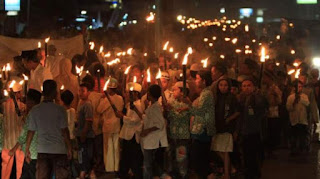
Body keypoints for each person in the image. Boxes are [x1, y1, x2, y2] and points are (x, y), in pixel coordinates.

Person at [25, 80, 72, 179]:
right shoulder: (60, 110)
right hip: (59, 149)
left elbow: (31, 131)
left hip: (43, 150)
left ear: (43, 92)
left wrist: (27, 148)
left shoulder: (35, 110)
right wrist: (69, 147)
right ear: (55, 93)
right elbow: (65, 131)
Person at [238, 78, 268, 179]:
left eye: (249, 85)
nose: (246, 88)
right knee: (246, 154)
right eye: (244, 86)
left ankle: (255, 172)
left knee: (254, 153)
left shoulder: (257, 98)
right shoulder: (241, 99)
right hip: (244, 130)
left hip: (255, 130)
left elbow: (261, 111)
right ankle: (249, 171)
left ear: (253, 87)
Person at [188, 70, 215, 179]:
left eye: (198, 78)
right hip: (199, 129)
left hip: (203, 130)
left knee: (200, 159)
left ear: (204, 81)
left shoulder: (207, 93)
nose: (196, 81)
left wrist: (189, 104)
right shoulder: (205, 93)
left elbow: (200, 111)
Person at [211, 78, 240, 179]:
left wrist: (229, 119)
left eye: (225, 85)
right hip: (217, 126)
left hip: (227, 127)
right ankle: (230, 168)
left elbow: (238, 111)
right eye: (221, 85)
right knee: (216, 148)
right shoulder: (216, 97)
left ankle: (227, 173)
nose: (223, 87)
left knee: (225, 150)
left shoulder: (232, 98)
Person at [11, 89, 41, 179]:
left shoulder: (32, 113)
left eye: (27, 99)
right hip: (39, 151)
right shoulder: (40, 112)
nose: (26, 102)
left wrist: (14, 148)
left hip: (31, 152)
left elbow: (25, 133)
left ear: (31, 101)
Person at [117, 82, 144, 179]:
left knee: (133, 158)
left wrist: (123, 117)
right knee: (125, 157)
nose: (127, 95)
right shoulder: (129, 105)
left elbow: (135, 120)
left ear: (136, 94)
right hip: (127, 134)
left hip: (133, 136)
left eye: (129, 93)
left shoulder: (139, 105)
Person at [141, 84, 168, 179]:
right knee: (149, 162)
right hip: (150, 140)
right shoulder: (152, 106)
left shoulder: (156, 107)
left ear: (150, 94)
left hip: (153, 140)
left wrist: (147, 131)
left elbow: (160, 124)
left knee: (148, 164)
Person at [96, 78, 124, 173]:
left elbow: (99, 110)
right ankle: (116, 167)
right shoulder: (120, 98)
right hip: (116, 126)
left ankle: (109, 168)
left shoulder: (106, 100)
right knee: (116, 147)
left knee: (108, 148)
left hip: (108, 126)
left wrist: (102, 99)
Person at [166, 81, 192, 178]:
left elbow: (181, 117)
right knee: (170, 156)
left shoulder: (188, 104)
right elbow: (169, 116)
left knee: (181, 157)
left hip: (182, 136)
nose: (173, 92)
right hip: (172, 134)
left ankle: (182, 175)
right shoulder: (171, 102)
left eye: (175, 90)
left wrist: (171, 110)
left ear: (182, 92)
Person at [1, 80, 26, 179]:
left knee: (5, 167)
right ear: (18, 93)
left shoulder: (3, 106)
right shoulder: (23, 106)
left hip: (7, 141)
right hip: (19, 143)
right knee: (19, 168)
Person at [76, 83, 95, 179]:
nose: (80, 93)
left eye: (83, 91)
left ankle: (86, 171)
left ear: (88, 92)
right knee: (81, 153)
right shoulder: (80, 102)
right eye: (79, 90)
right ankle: (83, 170)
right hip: (80, 134)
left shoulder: (87, 104)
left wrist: (83, 133)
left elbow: (89, 121)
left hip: (87, 135)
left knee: (87, 154)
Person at [286, 81, 310, 154]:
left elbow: (307, 103)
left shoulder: (304, 96)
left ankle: (302, 148)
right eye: (298, 87)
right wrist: (294, 102)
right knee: (294, 135)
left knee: (302, 135)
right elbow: (288, 108)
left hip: (302, 120)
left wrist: (300, 98)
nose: (299, 88)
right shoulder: (290, 97)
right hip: (294, 120)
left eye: (300, 87)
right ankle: (294, 149)